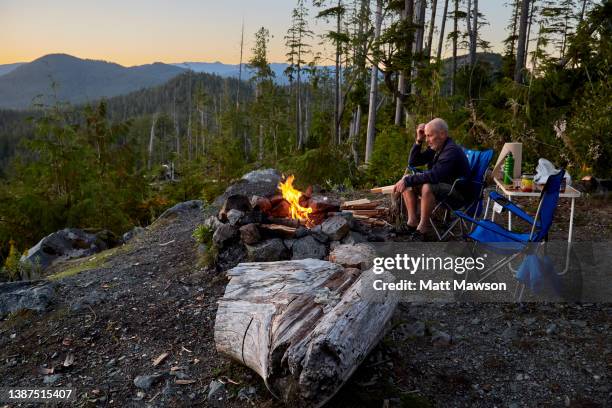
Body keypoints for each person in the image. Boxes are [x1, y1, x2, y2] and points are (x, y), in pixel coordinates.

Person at [393, 118, 471, 241]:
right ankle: (412, 222)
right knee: (407, 178)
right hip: (443, 188)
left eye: (429, 136)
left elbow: (435, 176)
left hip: (457, 194)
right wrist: (419, 140)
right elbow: (413, 162)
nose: (427, 140)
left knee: (427, 186)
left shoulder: (451, 150)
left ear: (442, 134)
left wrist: (408, 181)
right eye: (426, 136)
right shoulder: (437, 147)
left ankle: (423, 228)